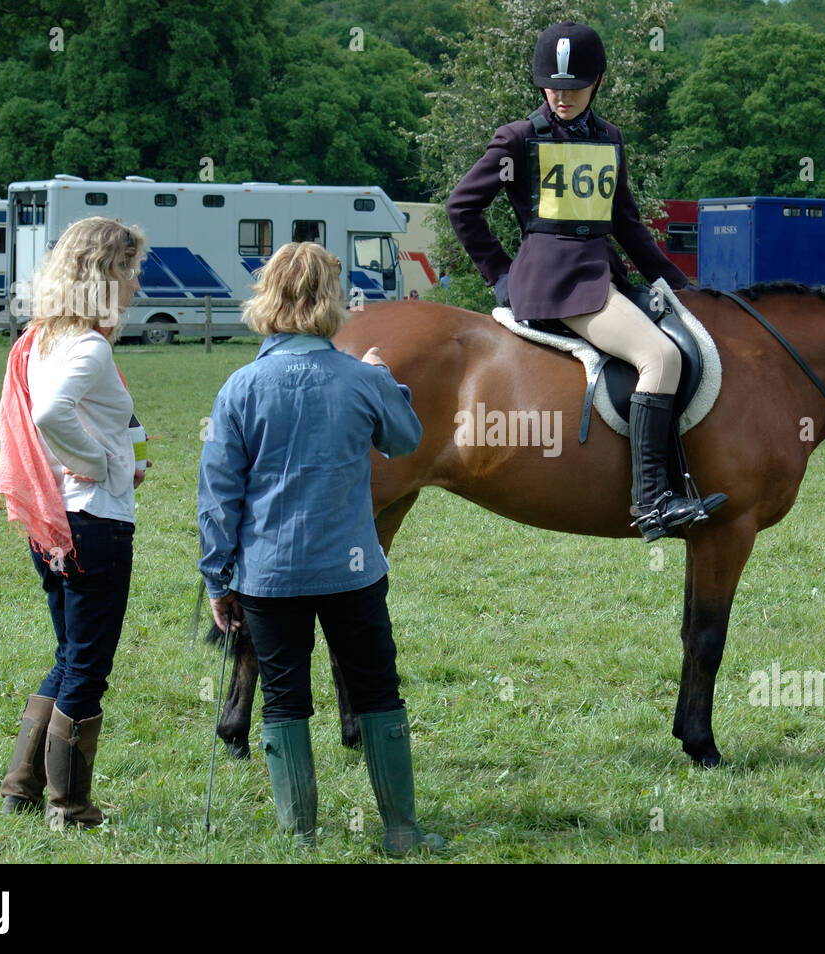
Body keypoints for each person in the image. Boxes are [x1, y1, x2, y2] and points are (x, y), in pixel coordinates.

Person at [197, 241, 443, 855]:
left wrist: (217, 581)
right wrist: (386, 380)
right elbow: (407, 439)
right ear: (332, 302)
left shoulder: (241, 387)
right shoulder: (362, 378)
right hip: (353, 571)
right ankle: (402, 831)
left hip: (267, 575)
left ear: (268, 298)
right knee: (378, 692)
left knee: (283, 700)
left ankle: (299, 836)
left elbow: (217, 497)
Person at [447, 20, 726, 542]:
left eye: (574, 87)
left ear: (597, 82)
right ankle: (652, 502)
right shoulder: (519, 138)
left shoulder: (609, 139)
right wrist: (501, 274)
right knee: (659, 357)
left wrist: (678, 283)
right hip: (554, 284)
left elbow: (626, 224)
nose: (561, 96)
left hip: (600, 277)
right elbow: (462, 207)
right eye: (552, 86)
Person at [0, 216, 149, 828]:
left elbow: (89, 414)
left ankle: (21, 786)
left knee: (69, 654)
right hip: (92, 524)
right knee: (89, 665)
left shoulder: (40, 339)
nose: (139, 284)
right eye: (132, 270)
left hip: (53, 523)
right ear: (107, 274)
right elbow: (52, 416)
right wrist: (100, 463)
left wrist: (126, 450)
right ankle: (70, 805)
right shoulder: (89, 346)